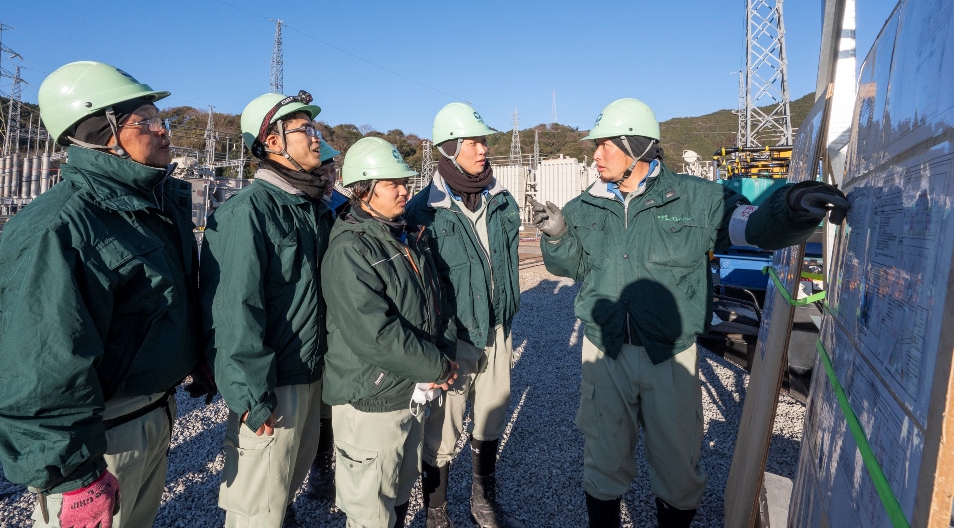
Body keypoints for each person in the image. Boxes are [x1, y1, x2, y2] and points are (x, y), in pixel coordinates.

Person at [528, 98, 850, 528]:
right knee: (603, 460)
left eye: (605, 145)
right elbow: (573, 267)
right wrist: (558, 236)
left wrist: (789, 208)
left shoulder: (698, 198)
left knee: (679, 465)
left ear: (636, 147)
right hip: (603, 353)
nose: (595, 154)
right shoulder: (584, 207)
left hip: (672, 354)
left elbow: (751, 228)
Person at [0, 61, 211, 528]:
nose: (163, 131)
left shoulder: (149, 206)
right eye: (147, 120)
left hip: (153, 412)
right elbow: (43, 362)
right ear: (100, 131)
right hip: (101, 436)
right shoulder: (60, 226)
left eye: (161, 120)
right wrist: (74, 476)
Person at [200, 90, 333, 528]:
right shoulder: (248, 212)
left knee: (283, 493)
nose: (317, 139)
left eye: (316, 129)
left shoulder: (313, 208)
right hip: (274, 387)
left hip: (309, 376)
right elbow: (235, 312)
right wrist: (252, 399)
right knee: (257, 511)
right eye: (305, 130)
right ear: (272, 143)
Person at [321, 137, 459, 528]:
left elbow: (437, 302)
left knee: (399, 489)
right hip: (371, 396)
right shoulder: (351, 249)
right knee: (370, 508)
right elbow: (374, 334)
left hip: (408, 389)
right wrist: (437, 366)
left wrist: (442, 353)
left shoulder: (405, 236)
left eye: (405, 181)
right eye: (391, 183)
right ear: (363, 190)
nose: (404, 190)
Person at [405, 103, 525, 528]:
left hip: (497, 328)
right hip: (455, 337)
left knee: (491, 413)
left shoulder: (502, 200)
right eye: (474, 141)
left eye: (483, 140)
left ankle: (482, 499)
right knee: (442, 430)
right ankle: (436, 512)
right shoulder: (423, 210)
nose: (484, 149)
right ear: (450, 149)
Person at [305, 139, 347, 503]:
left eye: (334, 169)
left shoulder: (342, 205)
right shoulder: (299, 204)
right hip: (306, 315)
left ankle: (322, 467)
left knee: (326, 401)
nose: (330, 176)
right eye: (324, 169)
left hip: (336, 314)